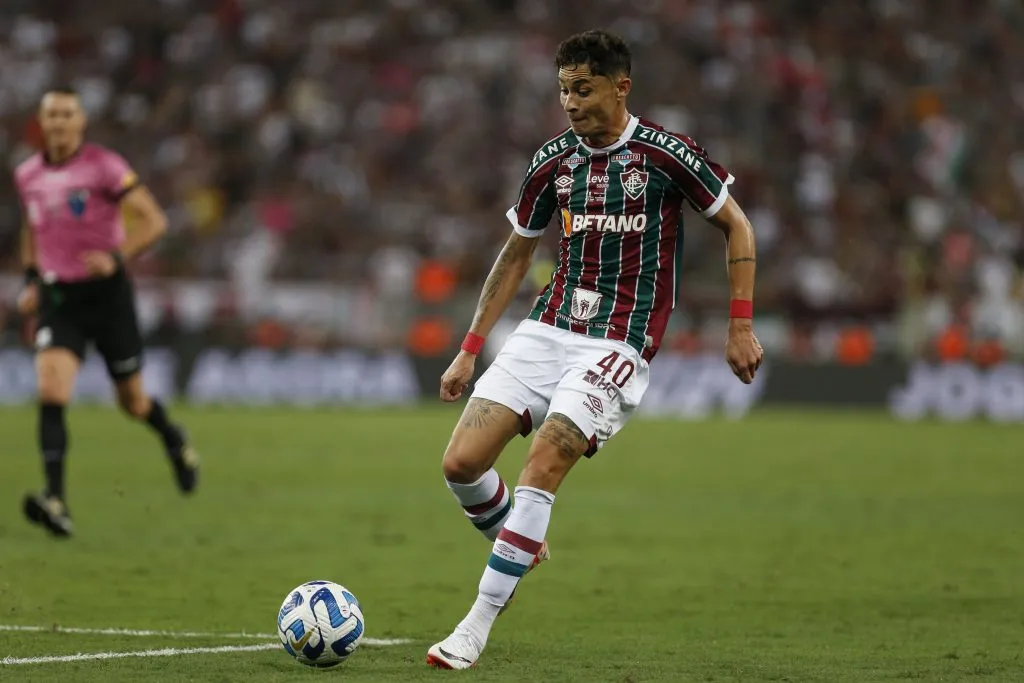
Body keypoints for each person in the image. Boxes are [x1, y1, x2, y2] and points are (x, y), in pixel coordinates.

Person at [426, 30, 763, 669]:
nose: (570, 103)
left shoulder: (667, 154)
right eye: (562, 91)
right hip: (548, 327)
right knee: (460, 465)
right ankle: (518, 540)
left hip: (620, 341)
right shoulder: (552, 161)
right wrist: (469, 349)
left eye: (582, 89)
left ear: (620, 86)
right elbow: (516, 253)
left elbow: (736, 224)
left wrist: (739, 324)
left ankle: (475, 625)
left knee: (546, 461)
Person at [13, 87, 199, 538]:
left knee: (132, 403)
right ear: (42, 121)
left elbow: (154, 220)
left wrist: (117, 257)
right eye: (51, 114)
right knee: (51, 390)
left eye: (66, 114)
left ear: (81, 122)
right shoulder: (28, 174)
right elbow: (33, 226)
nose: (58, 122)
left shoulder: (104, 166)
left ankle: (173, 439)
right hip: (61, 300)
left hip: (109, 297)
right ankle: (56, 500)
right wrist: (31, 280)